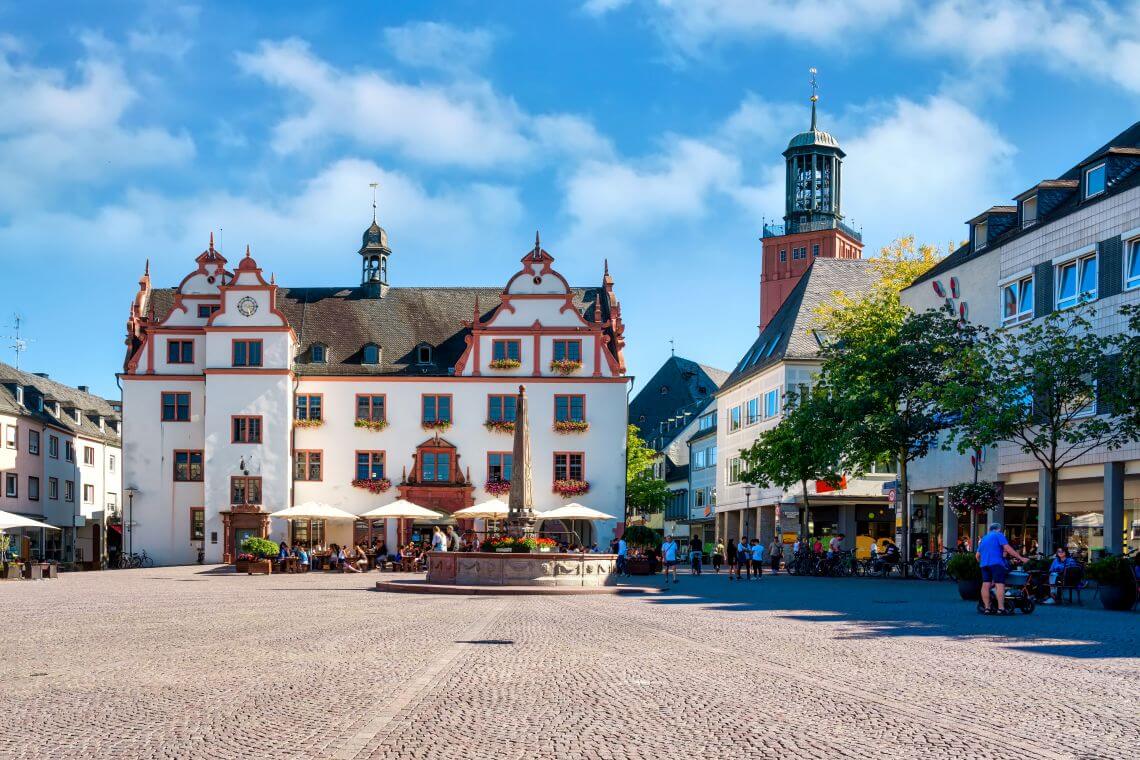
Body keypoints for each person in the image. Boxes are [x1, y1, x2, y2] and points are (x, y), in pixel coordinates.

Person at [976, 522, 1030, 615]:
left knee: (985, 585)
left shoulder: (984, 538)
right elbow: (1007, 548)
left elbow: (977, 556)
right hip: (996, 563)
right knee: (999, 585)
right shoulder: (999, 535)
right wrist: (1021, 558)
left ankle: (987, 608)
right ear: (998, 529)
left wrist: (983, 561)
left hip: (984, 564)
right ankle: (1001, 609)